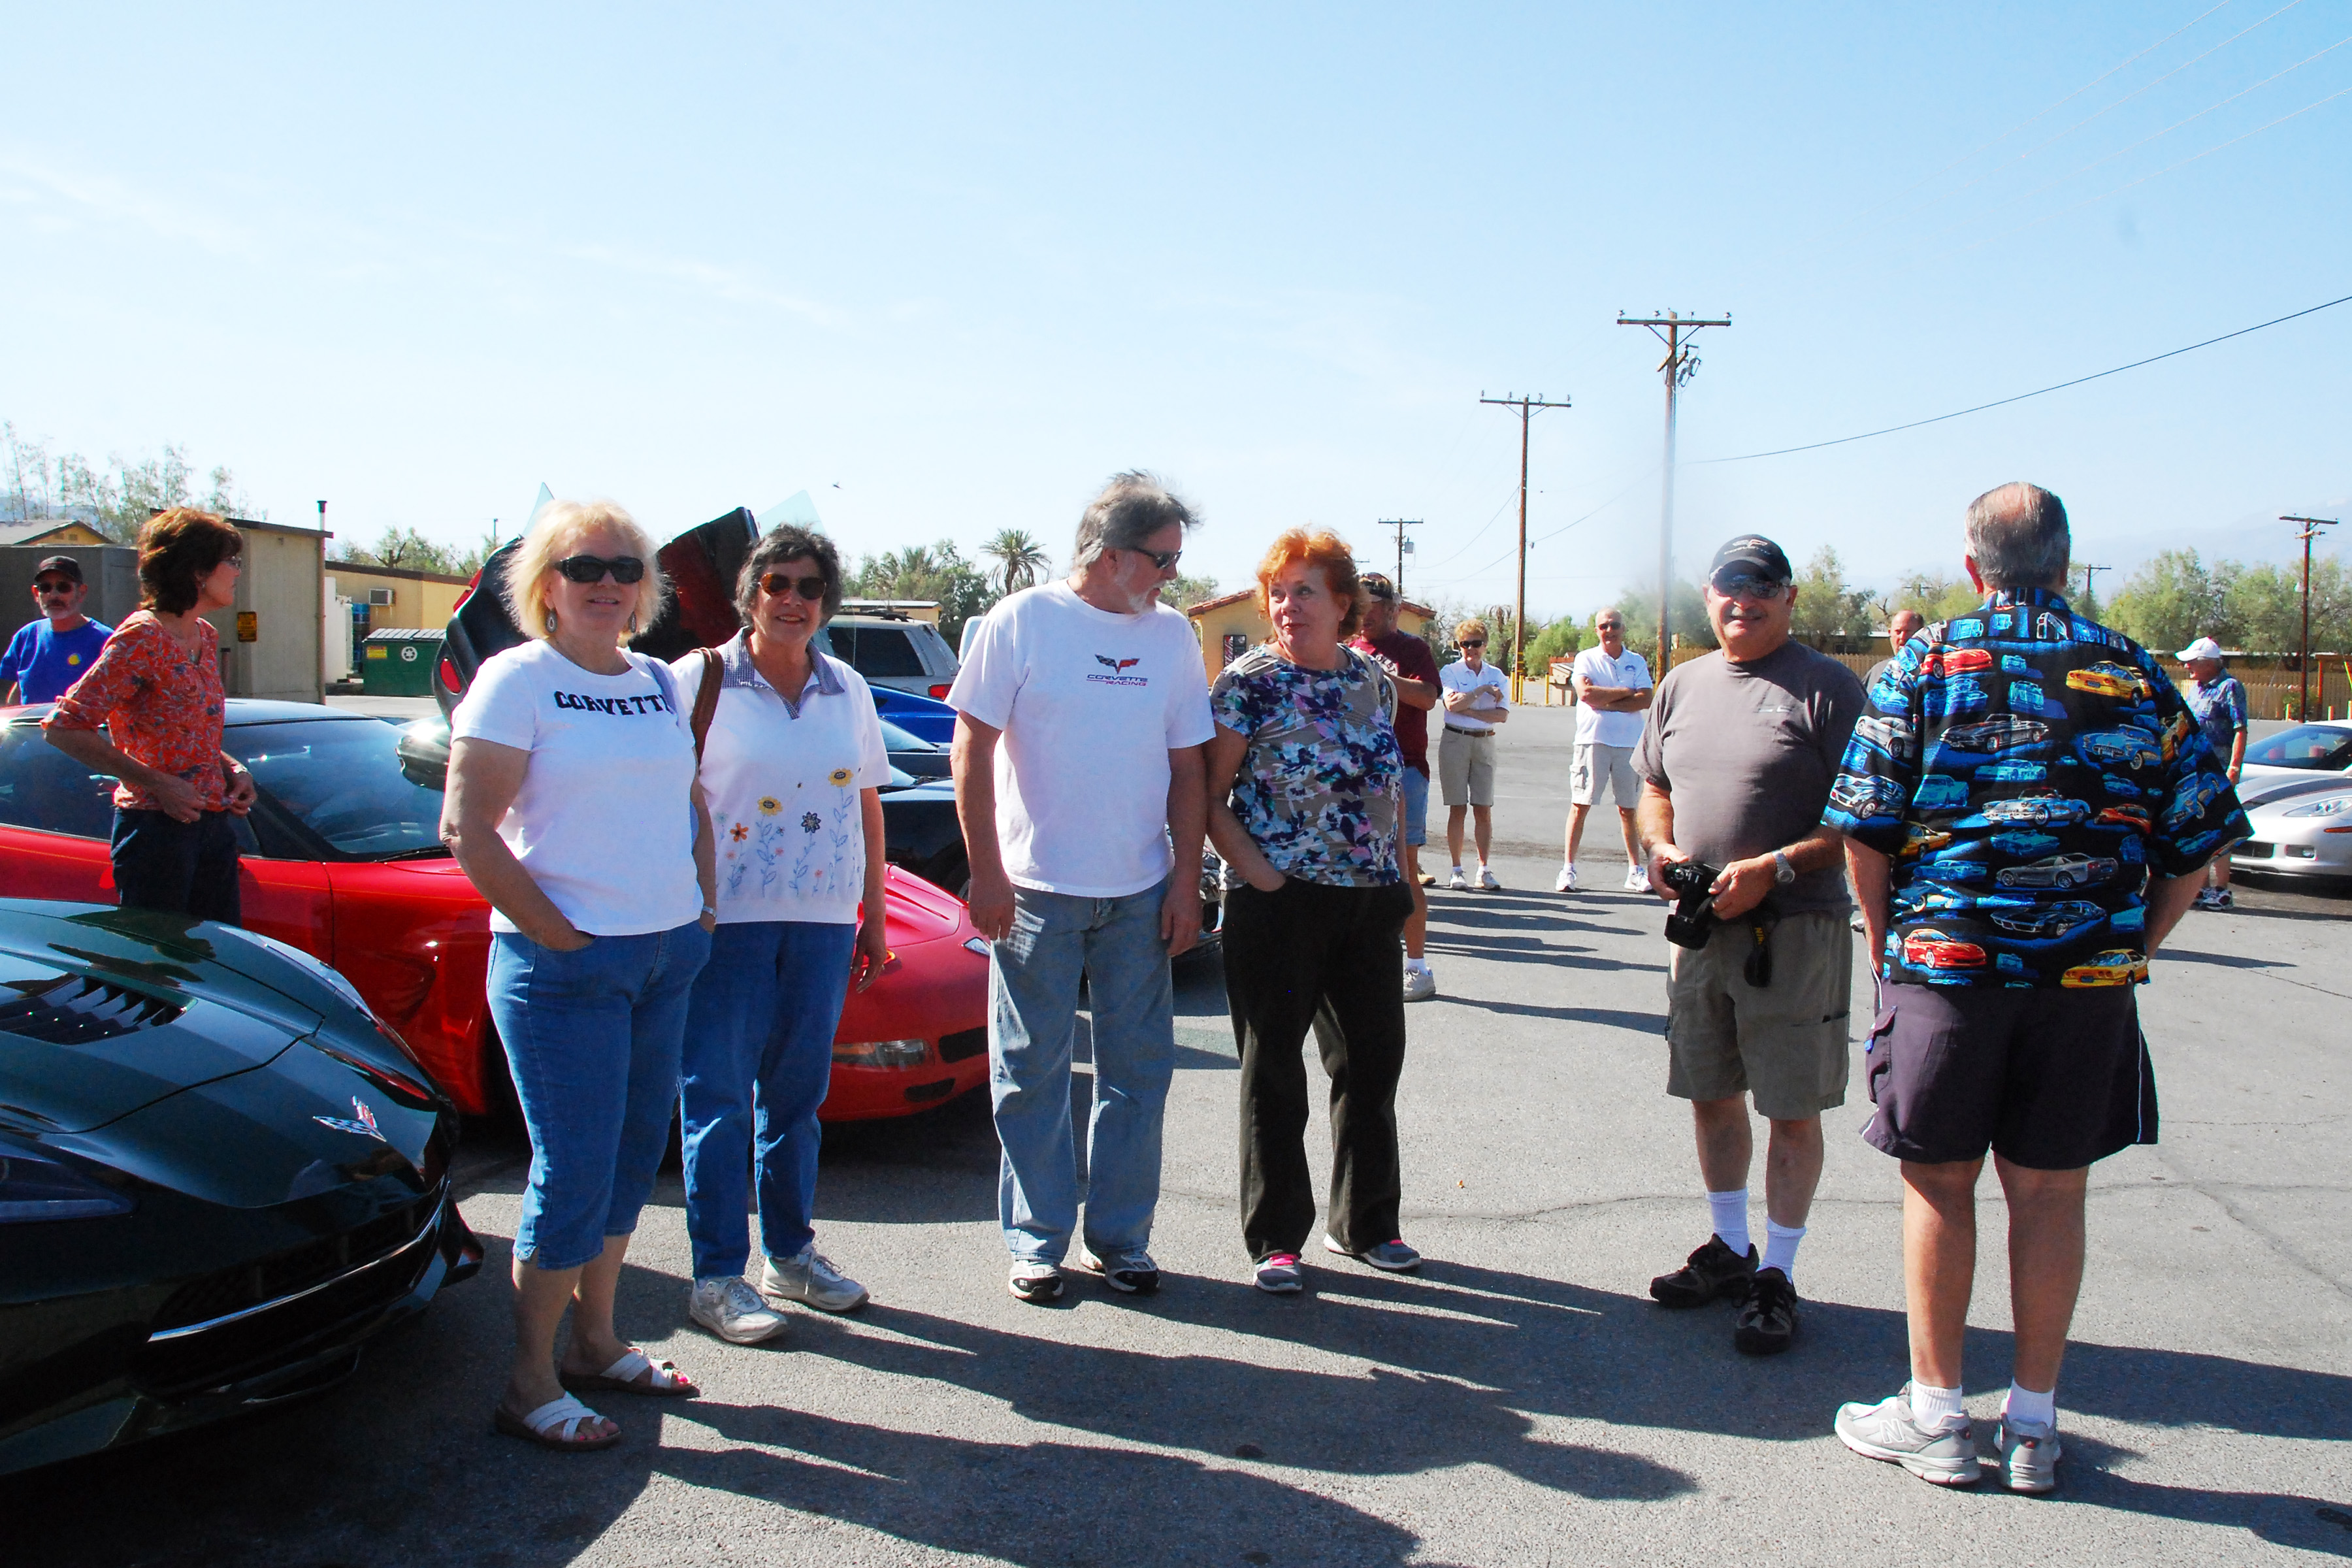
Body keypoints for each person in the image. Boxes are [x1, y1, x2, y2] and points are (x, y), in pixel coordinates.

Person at [1828, 483, 2248, 1493]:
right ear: (2066, 563)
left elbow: (1864, 828)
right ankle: (2034, 1428)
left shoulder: (1923, 664)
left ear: (1975, 568)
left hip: (1946, 974)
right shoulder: (2137, 674)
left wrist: (1890, 949)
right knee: (2053, 1194)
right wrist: (2129, 943)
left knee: (1939, 1180)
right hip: (2085, 981)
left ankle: (1936, 1415)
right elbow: (2196, 845)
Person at [440, 498, 716, 1452]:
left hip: (665, 954)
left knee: (635, 1159)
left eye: (626, 568)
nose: (607, 583)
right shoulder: (517, 681)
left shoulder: (655, 681)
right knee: (574, 1169)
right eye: (584, 566)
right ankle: (529, 1380)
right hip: (568, 969)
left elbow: (689, 802)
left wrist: (700, 908)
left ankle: (597, 1344)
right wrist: (561, 936)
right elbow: (467, 830)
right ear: (545, 586)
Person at [948, 471, 1213, 1305]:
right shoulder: (1022, 621)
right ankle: (1036, 1240)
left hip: (1139, 894)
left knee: (1139, 1075)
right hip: (1034, 894)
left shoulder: (1171, 638)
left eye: (1177, 560)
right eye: (1161, 559)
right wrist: (987, 872)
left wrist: (1185, 880)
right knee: (1030, 1073)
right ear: (1106, 551)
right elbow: (970, 749)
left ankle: (1120, 1238)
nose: (1172, 577)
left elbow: (1187, 769)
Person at [1634, 534, 1865, 1358]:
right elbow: (1655, 786)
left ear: (1789, 597)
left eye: (1762, 587)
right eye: (1730, 586)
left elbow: (1858, 818)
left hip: (1794, 931)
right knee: (1710, 1091)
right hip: (1702, 934)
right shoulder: (1680, 685)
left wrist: (1774, 867)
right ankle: (1731, 1251)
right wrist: (1661, 853)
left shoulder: (1830, 688)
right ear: (1709, 595)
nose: (1744, 601)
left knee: (1792, 1107)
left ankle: (1780, 1273)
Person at [670, 525, 890, 1346]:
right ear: (749, 594)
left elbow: (866, 804)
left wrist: (872, 910)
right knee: (719, 1099)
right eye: (777, 585)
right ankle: (717, 1276)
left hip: (824, 920)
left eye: (809, 587)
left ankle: (791, 1257)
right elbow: (661, 789)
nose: (793, 600)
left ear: (826, 600)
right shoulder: (700, 679)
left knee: (797, 1101)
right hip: (723, 921)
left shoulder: (848, 690)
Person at [1207, 528, 1417, 1292]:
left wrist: (1402, 881)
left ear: (1341, 604)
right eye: (1278, 593)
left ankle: (1366, 1225)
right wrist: (1263, 877)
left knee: (1370, 1067)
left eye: (1305, 592)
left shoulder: (1373, 683)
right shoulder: (1247, 685)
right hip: (1280, 906)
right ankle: (1275, 1240)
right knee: (1274, 1072)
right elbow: (1208, 797)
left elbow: (1385, 790)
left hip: (1367, 901)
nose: (1287, 607)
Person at [42, 513, 255, 923]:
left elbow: (186, 729)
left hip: (212, 826)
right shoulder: (142, 637)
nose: (237, 573)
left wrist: (232, 768)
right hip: (155, 832)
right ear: (196, 571)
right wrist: (159, 783)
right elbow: (63, 728)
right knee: (161, 973)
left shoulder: (206, 635)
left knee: (218, 965)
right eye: (231, 561)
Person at [1350, 573, 1441, 1000]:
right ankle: (1360, 963)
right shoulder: (1347, 647)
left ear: (1392, 610)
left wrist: (1383, 680)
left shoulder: (1412, 649)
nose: (1365, 614)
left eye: (1373, 606)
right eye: (1359, 604)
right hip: (1352, 772)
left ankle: (1417, 967)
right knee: (1354, 868)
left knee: (1404, 868)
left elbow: (1427, 696)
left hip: (1405, 770)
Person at [1558, 606, 1652, 894]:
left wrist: (1607, 698)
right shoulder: (1586, 658)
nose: (1609, 631)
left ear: (1624, 628)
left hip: (1628, 743)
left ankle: (1635, 871)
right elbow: (1586, 695)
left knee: (1629, 809)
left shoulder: (1636, 661)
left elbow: (1645, 698)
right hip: (1593, 740)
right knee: (1581, 804)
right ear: (1597, 630)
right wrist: (1626, 691)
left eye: (1614, 625)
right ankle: (1568, 869)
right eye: (1603, 626)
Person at [2174, 636, 2247, 909]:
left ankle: (2222, 889)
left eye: (2193, 662)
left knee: (2219, 826)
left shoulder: (2230, 687)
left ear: (2208, 663)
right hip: (2195, 767)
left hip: (2218, 769)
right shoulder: (2197, 690)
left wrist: (2234, 766)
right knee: (2198, 826)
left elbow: (2240, 729)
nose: (2188, 667)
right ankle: (2201, 888)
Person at [1438, 617, 1509, 889]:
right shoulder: (1451, 671)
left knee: (1483, 808)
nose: (1471, 649)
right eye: (1465, 644)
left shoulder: (1497, 675)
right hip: (1456, 740)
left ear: (1485, 645)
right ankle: (1457, 869)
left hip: (1484, 742)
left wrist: (1469, 709)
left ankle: (1484, 869)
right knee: (1457, 807)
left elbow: (1501, 715)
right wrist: (1479, 691)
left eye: (1476, 644)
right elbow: (1451, 703)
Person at [3, 555, 114, 703]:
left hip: (82, 726)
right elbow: (18, 691)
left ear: (81, 592)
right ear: (36, 594)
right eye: (46, 588)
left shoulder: (105, 640)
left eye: (63, 588)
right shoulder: (26, 637)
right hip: (32, 725)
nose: (54, 595)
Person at [1865, 609, 1925, 694]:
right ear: (1890, 633)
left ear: (1922, 634)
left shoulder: (1931, 674)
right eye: (1898, 632)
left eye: (1908, 632)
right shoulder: (1877, 672)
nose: (1902, 637)